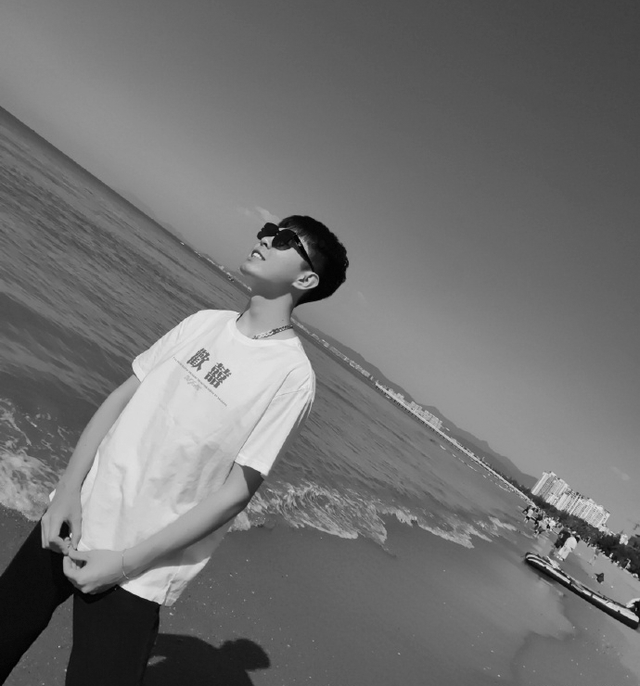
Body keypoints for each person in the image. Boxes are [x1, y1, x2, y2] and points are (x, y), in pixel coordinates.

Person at [0, 216, 348, 685]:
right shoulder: (203, 323)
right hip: (75, 516)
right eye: (270, 229)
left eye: (285, 240)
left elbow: (235, 494)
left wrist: (125, 562)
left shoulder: (291, 376)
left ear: (306, 280)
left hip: (138, 569)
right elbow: (119, 400)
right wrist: (65, 493)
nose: (266, 238)